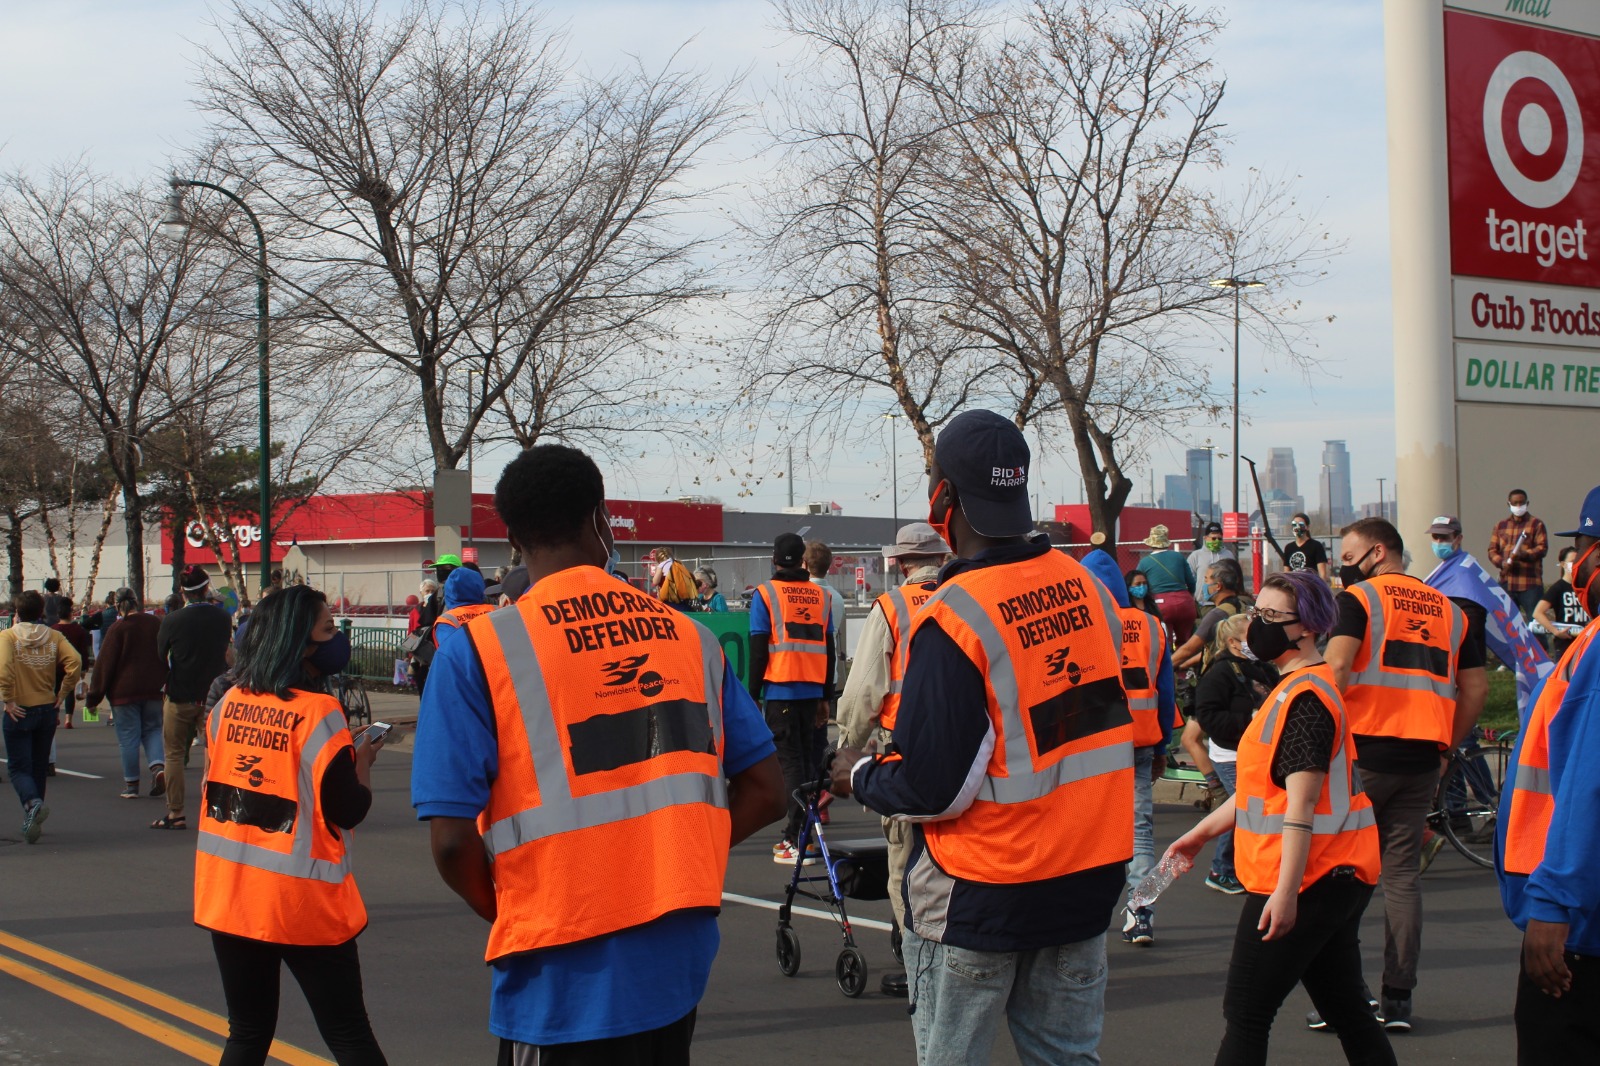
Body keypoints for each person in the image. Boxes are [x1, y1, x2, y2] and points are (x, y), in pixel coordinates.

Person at [412, 443, 784, 1063]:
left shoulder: (478, 650)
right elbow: (767, 791)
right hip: (676, 956)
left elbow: (451, 842)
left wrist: (518, 912)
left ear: (514, 538)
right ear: (599, 520)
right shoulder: (691, 639)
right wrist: (678, 859)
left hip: (558, 969)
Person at [829, 409, 1132, 1066]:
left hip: (983, 891)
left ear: (943, 497)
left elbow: (932, 787)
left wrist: (857, 774)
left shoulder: (956, 615)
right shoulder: (1087, 588)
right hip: (1086, 879)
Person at [1166, 570, 1390, 1066]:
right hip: (1333, 874)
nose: (1257, 625)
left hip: (1306, 879)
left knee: (1247, 1012)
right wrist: (1199, 834)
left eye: (1270, 616)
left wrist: (1286, 895)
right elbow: (1259, 791)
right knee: (1347, 1009)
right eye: (1257, 612)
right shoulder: (1293, 689)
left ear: (1306, 627)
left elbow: (1300, 807)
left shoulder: (1306, 698)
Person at [195, 584, 387, 1065]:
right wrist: (362, 761)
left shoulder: (227, 704)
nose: (337, 639)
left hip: (230, 895)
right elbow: (349, 809)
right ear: (300, 642)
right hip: (299, 900)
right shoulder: (320, 712)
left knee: (247, 1033)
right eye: (328, 629)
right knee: (349, 1035)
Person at [1322, 517, 1488, 1030]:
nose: (1344, 567)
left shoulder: (1360, 600)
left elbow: (1337, 669)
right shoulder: (1452, 611)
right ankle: (1397, 996)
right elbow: (1476, 689)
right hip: (1422, 759)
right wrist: (1446, 749)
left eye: (1348, 557)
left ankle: (1342, 998)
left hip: (1362, 754)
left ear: (1377, 552)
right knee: (1401, 878)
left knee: (1339, 874)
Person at [1499, 483, 1600, 1062]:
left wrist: (1554, 903)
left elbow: (1586, 788)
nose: (1576, 563)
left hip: (1582, 930)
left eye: (1583, 547)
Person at [836, 520, 949, 996]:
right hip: (967, 747)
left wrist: (848, 749)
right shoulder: (966, 598)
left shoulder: (893, 606)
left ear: (901, 564)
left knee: (904, 863)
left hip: (903, 748)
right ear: (941, 559)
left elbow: (864, 689)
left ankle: (920, 963)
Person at [1086, 546, 1175, 947]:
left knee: (1090, 829)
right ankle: (1141, 913)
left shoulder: (1084, 624)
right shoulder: (1153, 627)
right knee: (1140, 830)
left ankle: (1086, 916)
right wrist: (1163, 747)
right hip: (1141, 740)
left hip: (1094, 745)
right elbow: (1166, 693)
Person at [750, 533, 836, 864]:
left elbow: (759, 650)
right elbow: (829, 649)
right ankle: (802, 836)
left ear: (774, 560)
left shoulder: (765, 593)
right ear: (802, 561)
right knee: (807, 762)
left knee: (790, 765)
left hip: (780, 688)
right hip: (812, 690)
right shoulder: (822, 596)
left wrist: (752, 695)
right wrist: (826, 696)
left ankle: (798, 839)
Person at [1194, 613, 1280, 897]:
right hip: (1230, 755)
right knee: (1242, 809)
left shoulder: (1262, 668)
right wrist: (1251, 719)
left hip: (1260, 752)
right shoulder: (1219, 674)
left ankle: (1250, 867)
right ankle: (1221, 870)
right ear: (1232, 642)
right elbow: (1208, 717)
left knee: (1255, 810)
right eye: (1250, 637)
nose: (1257, 642)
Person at [153, 566, 234, 831]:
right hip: (215, 697)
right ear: (206, 587)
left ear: (182, 591)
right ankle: (219, 811)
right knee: (218, 754)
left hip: (180, 694)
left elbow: (161, 655)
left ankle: (175, 812)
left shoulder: (172, 620)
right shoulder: (222, 618)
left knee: (174, 755)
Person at [1174, 559, 1255, 818]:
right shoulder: (1246, 605)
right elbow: (1215, 648)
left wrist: (1163, 665)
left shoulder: (1217, 614)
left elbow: (1192, 646)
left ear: (1218, 585)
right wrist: (1188, 662)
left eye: (1207, 579)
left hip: (1218, 685)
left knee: (1190, 739)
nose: (1204, 584)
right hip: (1244, 681)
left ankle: (1217, 789)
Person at [1, 591, 82, 844]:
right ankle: (34, 816)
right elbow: (75, 661)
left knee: (18, 767)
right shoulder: (54, 636)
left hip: (19, 707)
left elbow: (4, 669)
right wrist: (63, 692)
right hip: (46, 707)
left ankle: (32, 804)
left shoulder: (8, 636)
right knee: (38, 766)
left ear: (17, 613)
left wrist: (8, 698)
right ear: (41, 613)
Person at [85, 589, 168, 800]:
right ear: (136, 602)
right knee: (153, 730)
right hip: (153, 689)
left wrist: (93, 698)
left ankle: (132, 785)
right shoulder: (155, 623)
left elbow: (105, 665)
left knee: (128, 738)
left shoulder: (118, 628)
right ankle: (158, 767)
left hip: (123, 692)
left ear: (117, 605)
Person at [1488, 488, 1549, 620]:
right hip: (1507, 583)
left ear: (1527, 503)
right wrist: (1502, 563)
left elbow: (1542, 548)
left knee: (1535, 623)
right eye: (1515, 503)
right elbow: (1492, 550)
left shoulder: (1536, 524)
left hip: (1530, 583)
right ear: (1508, 504)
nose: (1518, 506)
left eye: (1521, 503)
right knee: (1508, 623)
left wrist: (1522, 554)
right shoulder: (1500, 525)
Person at [1139, 524, 1199, 644]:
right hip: (1185, 603)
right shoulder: (1178, 557)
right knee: (1186, 642)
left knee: (1165, 642)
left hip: (1161, 604)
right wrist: (1190, 595)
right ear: (1166, 542)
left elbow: (1138, 582)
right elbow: (1191, 582)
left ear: (1150, 543)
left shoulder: (1144, 562)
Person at [1533, 545, 1590, 659]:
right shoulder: (1558, 588)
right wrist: (1556, 631)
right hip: (1565, 644)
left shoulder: (1586, 587)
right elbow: (1538, 613)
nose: (1575, 564)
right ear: (1563, 564)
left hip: (1585, 642)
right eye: (1572, 561)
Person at [430, 566, 491, 656]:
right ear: (480, 587)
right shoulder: (498, 610)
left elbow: (448, 657)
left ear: (448, 592)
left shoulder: (447, 621)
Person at [51, 598, 92, 734]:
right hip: (73, 665)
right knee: (69, 691)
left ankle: (55, 716)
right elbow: (83, 650)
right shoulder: (78, 630)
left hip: (56, 665)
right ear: (71, 614)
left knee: (55, 690)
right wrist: (84, 667)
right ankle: (68, 719)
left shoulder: (53, 630)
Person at [1190, 521, 1237, 608]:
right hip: (1202, 603)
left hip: (1224, 602)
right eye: (1213, 538)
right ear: (1205, 538)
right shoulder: (1196, 556)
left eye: (1219, 539)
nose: (1217, 541)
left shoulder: (1228, 555)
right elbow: (1189, 578)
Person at [1277, 513, 1331, 583]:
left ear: (1307, 527)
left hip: (1310, 585)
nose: (1297, 527)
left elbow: (1322, 574)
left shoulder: (1316, 546)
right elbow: (1286, 573)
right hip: (1295, 585)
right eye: (1294, 524)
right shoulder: (1289, 548)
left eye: (1300, 524)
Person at [651, 546, 698, 611]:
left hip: (668, 599)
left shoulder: (661, 565)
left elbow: (655, 582)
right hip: (682, 599)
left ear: (658, 558)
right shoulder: (678, 564)